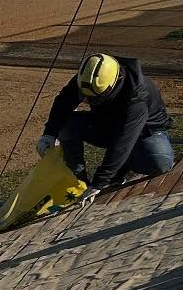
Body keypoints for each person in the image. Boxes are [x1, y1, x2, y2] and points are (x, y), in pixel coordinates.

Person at [39, 53, 175, 190]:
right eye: (87, 97)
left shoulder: (137, 98)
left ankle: (121, 168)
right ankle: (78, 181)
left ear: (114, 84)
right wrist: (50, 133)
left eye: (95, 99)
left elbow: (123, 141)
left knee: (159, 163)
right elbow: (64, 101)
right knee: (68, 124)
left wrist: (100, 183)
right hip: (107, 124)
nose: (89, 101)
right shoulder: (90, 76)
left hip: (144, 132)